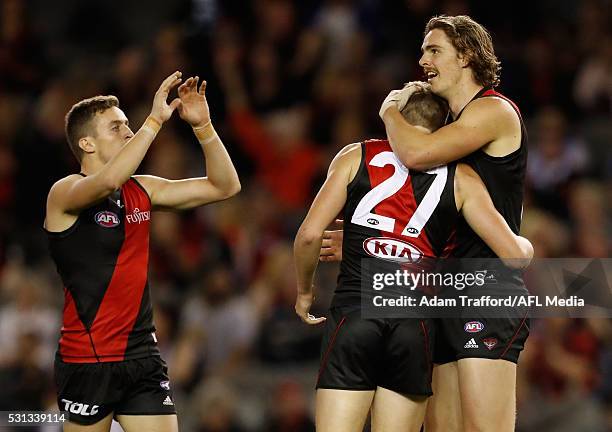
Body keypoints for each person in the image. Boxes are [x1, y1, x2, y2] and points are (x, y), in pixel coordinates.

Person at [294, 84, 533, 432]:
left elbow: (310, 235)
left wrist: (304, 291)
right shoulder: (461, 176)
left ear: (400, 116)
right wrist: (528, 245)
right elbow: (511, 254)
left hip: (356, 313)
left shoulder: (356, 155)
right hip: (414, 325)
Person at [44, 72, 240, 432]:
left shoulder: (143, 190)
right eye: (116, 128)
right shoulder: (64, 192)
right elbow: (106, 181)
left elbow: (224, 186)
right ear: (87, 144)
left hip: (142, 356)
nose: (129, 132)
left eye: (128, 125)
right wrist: (154, 120)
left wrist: (204, 127)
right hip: (88, 359)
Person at [377, 15, 528, 432]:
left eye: (434, 49)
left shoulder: (494, 110)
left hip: (487, 286)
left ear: (465, 56)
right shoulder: (452, 125)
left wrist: (390, 112)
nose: (422, 58)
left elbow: (417, 154)